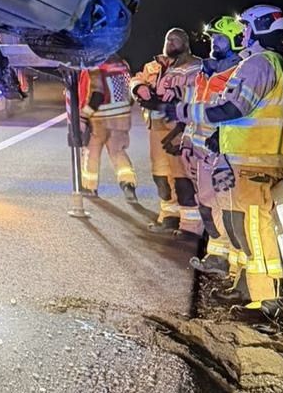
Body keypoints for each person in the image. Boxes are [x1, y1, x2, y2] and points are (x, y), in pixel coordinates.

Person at [160, 5, 283, 316]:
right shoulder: (269, 63)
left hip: (254, 159)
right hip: (248, 159)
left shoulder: (260, 63)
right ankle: (246, 288)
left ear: (260, 29)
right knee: (240, 225)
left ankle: (268, 302)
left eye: (247, 28)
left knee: (252, 228)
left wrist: (184, 112)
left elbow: (233, 108)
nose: (244, 35)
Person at [184, 16, 244, 277]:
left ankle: (232, 262)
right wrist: (187, 139)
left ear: (234, 41)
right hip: (200, 151)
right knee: (207, 204)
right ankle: (217, 255)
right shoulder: (205, 71)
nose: (214, 43)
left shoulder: (240, 71)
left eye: (220, 39)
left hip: (224, 153)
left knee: (227, 206)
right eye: (213, 38)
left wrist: (221, 140)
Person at [131, 28, 205, 236]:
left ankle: (190, 226)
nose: (171, 42)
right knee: (161, 177)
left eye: (176, 40)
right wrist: (139, 89)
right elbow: (136, 78)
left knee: (183, 179)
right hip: (156, 129)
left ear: (186, 44)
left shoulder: (195, 66)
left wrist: (169, 108)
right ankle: (169, 218)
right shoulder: (154, 65)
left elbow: (197, 96)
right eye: (168, 39)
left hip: (181, 128)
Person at [76, 55, 138, 200]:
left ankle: (90, 187)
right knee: (118, 152)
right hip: (121, 116)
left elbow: (97, 94)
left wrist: (84, 116)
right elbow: (129, 93)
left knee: (91, 153)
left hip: (100, 118)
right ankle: (128, 184)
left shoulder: (96, 64)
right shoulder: (123, 64)